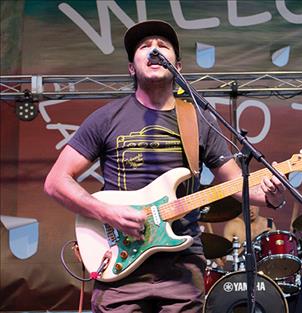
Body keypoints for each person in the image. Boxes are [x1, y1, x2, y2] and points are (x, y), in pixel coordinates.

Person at [44, 20, 287, 313]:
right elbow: (56, 181)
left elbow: (237, 184)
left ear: (178, 66)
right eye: (145, 47)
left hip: (181, 264)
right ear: (132, 68)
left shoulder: (198, 119)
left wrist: (272, 195)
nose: (154, 50)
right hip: (121, 258)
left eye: (162, 46)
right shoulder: (106, 118)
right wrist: (109, 213)